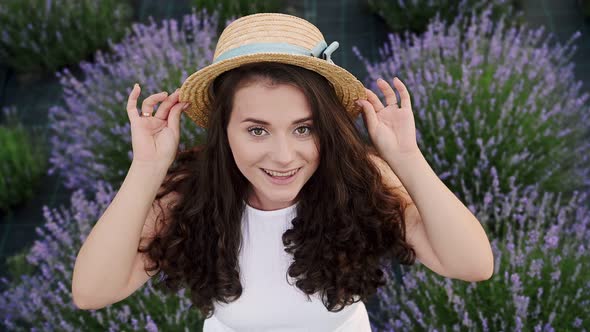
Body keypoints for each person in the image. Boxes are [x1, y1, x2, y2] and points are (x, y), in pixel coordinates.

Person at [72, 12, 418, 331]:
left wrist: (406, 157)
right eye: (257, 130)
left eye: (303, 128)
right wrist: (146, 168)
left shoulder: (361, 178)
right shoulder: (189, 195)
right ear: (223, 129)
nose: (283, 157)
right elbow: (91, 293)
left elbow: (471, 262)